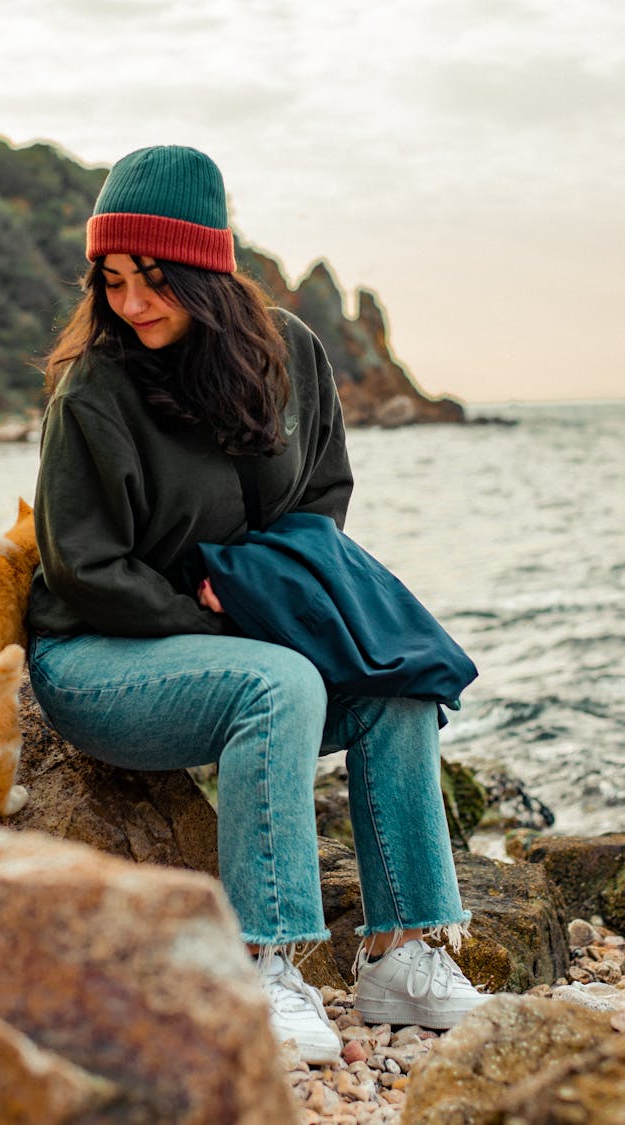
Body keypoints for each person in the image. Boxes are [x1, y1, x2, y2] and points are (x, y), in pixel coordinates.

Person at [27, 144, 489, 1064]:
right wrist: (221, 623)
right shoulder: (95, 391)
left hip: (244, 634)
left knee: (395, 679)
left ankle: (404, 952)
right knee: (277, 682)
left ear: (208, 269)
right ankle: (263, 961)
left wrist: (262, 591)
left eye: (152, 279)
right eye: (113, 280)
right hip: (97, 658)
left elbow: (320, 499)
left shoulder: (292, 356)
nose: (131, 304)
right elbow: (82, 566)